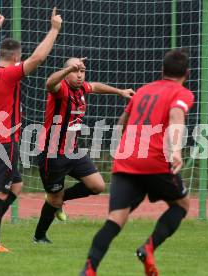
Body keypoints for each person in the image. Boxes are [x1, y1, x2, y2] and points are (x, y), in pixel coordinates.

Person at [80, 49, 194, 276]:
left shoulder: (143, 90)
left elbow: (122, 122)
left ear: (162, 70)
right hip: (155, 160)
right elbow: (175, 118)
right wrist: (176, 151)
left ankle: (89, 269)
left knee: (116, 219)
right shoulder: (182, 93)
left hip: (127, 159)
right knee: (181, 205)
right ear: (187, 74)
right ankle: (148, 248)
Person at [0, 6, 62, 252]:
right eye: (20, 57)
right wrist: (54, 30)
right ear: (16, 57)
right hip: (1, 142)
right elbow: (38, 58)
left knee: (16, 186)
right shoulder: (10, 74)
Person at [32, 57, 135, 244]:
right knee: (54, 201)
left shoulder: (81, 89)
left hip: (73, 151)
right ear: (66, 72)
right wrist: (66, 70)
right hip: (52, 154)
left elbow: (94, 86)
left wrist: (120, 92)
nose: (79, 75)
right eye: (75, 71)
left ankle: (59, 198)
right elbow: (50, 83)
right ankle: (39, 236)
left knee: (97, 186)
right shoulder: (60, 88)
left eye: (82, 71)